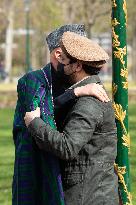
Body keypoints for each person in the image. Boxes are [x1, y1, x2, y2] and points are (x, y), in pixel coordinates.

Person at [12, 24, 109, 205]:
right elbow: (39, 115)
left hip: (80, 181)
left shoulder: (83, 84)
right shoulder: (33, 81)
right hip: (38, 169)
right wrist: (76, 93)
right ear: (59, 54)